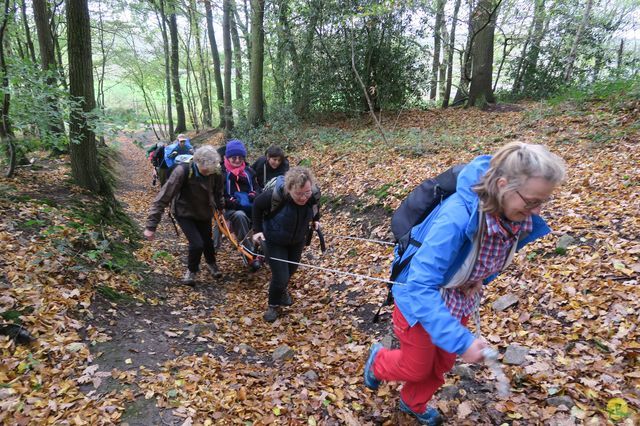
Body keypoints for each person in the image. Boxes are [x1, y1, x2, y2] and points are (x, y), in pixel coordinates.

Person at [363, 142, 566, 424]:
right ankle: (379, 361)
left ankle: (413, 402)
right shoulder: (457, 218)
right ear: (503, 185)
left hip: (456, 300)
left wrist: (477, 278)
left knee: (442, 363)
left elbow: (486, 255)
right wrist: (462, 341)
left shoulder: (513, 216)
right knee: (417, 366)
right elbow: (420, 285)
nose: (536, 210)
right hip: (418, 301)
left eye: (543, 201)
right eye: (531, 201)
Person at [144, 145, 224, 285]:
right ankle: (191, 271)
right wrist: (151, 226)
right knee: (197, 243)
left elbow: (218, 193)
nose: (208, 173)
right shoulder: (182, 171)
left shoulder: (216, 172)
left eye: (211, 170)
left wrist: (221, 210)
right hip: (184, 211)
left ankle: (212, 264)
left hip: (204, 211)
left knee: (207, 241)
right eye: (205, 170)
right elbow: (163, 197)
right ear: (197, 162)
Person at [251, 167, 321, 322]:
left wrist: (316, 220)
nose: (304, 197)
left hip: (297, 240)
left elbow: (316, 207)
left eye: (306, 192)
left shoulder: (313, 194)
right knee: (280, 275)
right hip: (274, 239)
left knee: (291, 269)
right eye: (299, 193)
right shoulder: (276, 196)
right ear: (290, 189)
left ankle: (281, 290)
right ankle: (273, 305)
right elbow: (257, 205)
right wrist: (257, 230)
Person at [222, 139, 259, 255]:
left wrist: (254, 194)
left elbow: (258, 188)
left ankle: (265, 247)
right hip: (232, 209)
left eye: (240, 157)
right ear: (227, 158)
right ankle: (250, 251)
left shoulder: (249, 171)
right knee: (240, 215)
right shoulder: (221, 174)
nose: (237, 160)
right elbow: (218, 196)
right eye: (234, 158)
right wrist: (233, 202)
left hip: (250, 205)